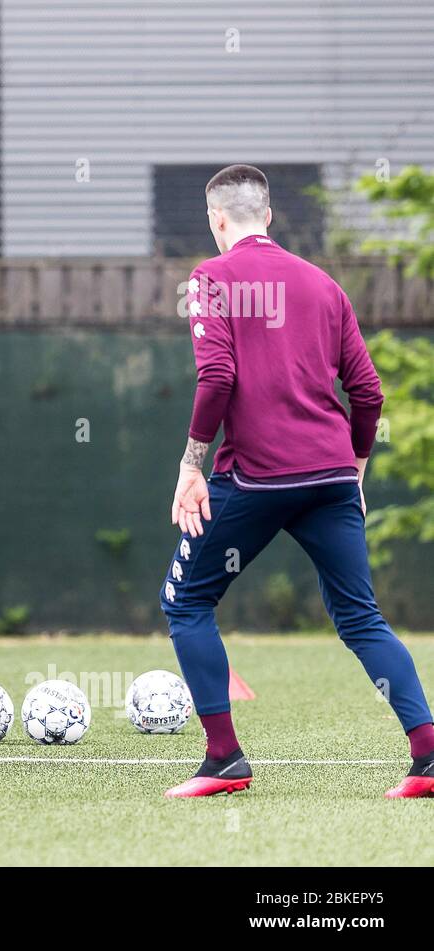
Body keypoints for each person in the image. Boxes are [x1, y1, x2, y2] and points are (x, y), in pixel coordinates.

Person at [160, 164, 434, 798]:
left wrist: (191, 464)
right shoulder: (322, 284)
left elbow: (218, 378)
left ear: (216, 220)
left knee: (187, 602)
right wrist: (356, 468)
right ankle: (426, 756)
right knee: (362, 617)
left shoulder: (210, 277)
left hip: (257, 476)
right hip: (332, 474)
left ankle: (224, 759)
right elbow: (367, 390)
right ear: (271, 217)